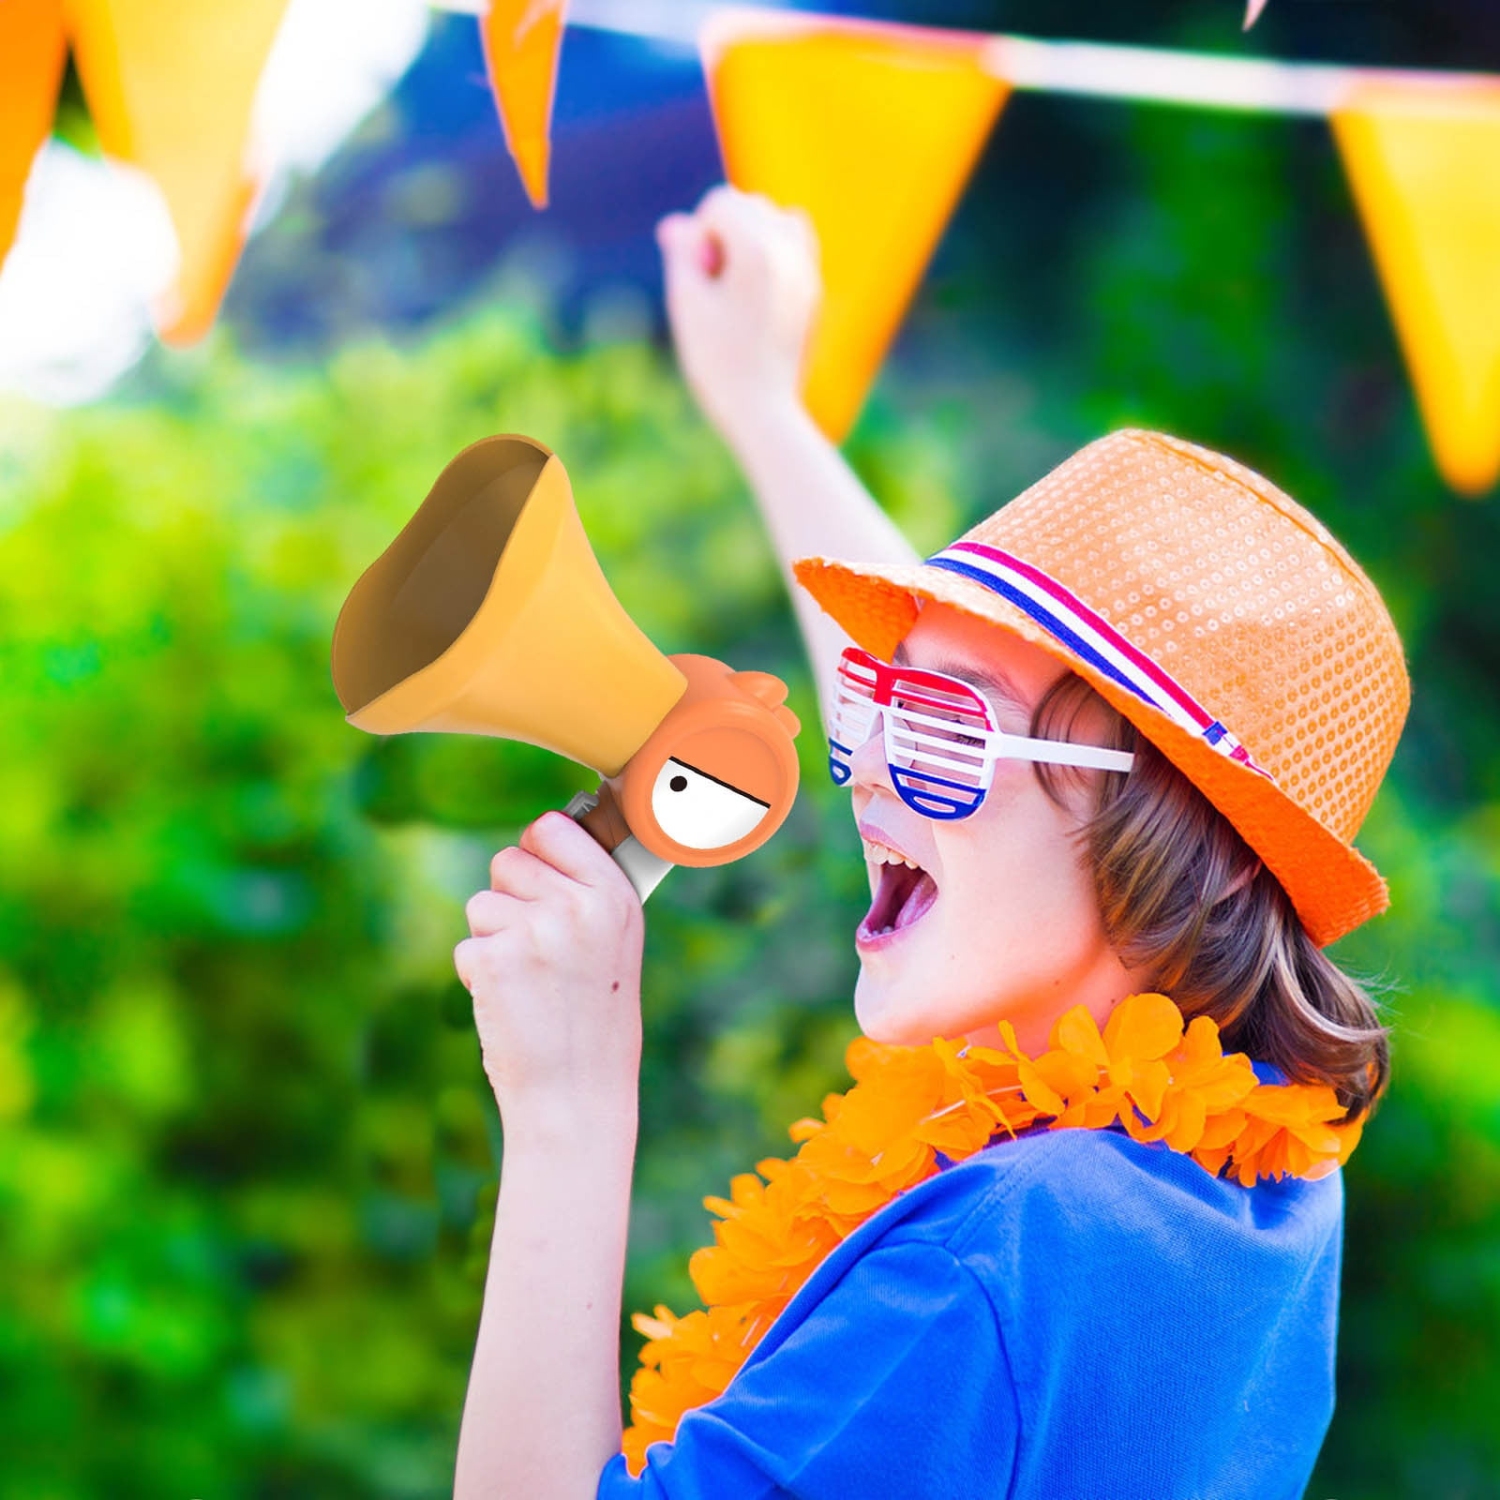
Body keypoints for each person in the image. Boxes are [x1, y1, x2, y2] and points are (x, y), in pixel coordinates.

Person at [448, 185, 1408, 1500]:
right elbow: (1017, 789)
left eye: (947, 737)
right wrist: (763, 406)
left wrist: (566, 1109)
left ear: (1194, 856)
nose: (871, 774)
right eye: (873, 712)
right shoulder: (1252, 1201)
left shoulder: (1000, 1259)